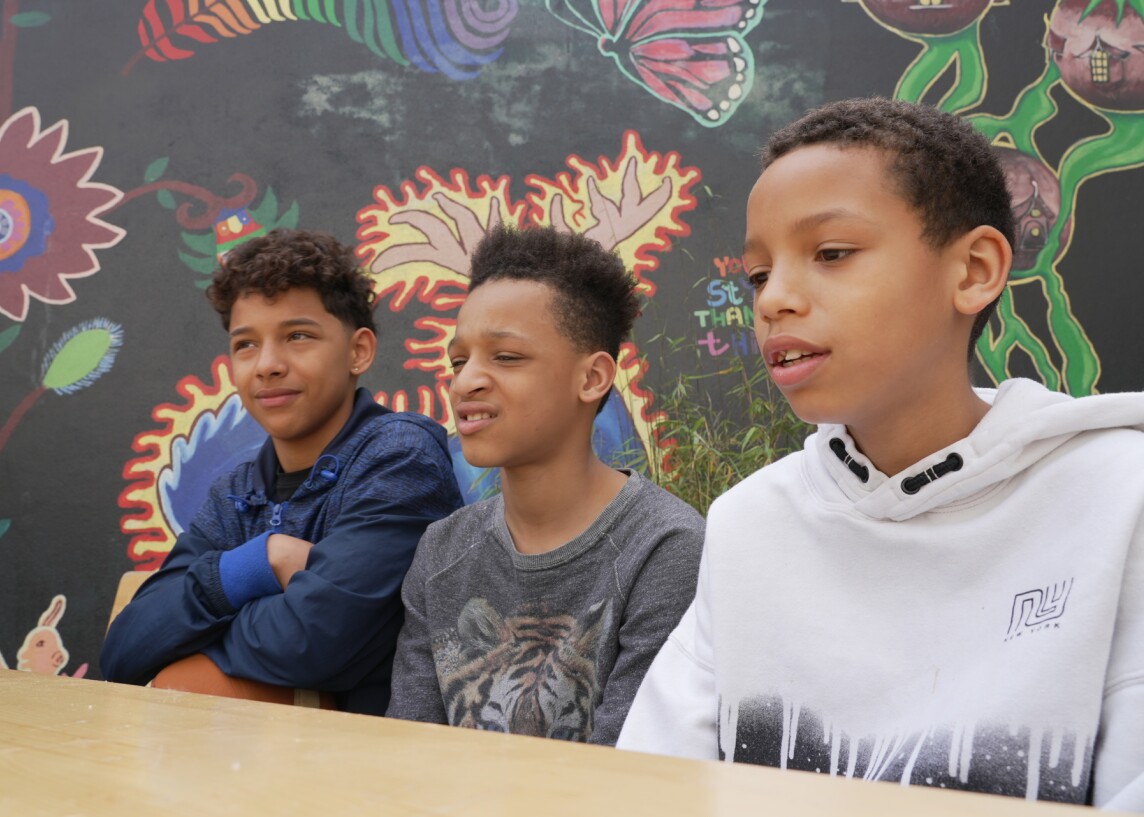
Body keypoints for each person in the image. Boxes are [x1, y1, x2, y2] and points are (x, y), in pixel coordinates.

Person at [616, 98, 1144, 809]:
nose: (775, 299)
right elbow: (655, 785)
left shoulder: (1117, 499)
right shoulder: (752, 522)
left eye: (831, 253)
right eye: (758, 275)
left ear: (975, 269)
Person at [101, 229, 464, 715]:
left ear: (359, 351)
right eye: (246, 344)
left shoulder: (400, 456)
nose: (267, 365)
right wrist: (255, 563)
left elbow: (313, 643)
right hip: (256, 768)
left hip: (376, 769)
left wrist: (189, 637)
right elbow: (124, 649)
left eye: (297, 336)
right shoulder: (237, 490)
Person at [386, 225, 705, 745]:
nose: (466, 381)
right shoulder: (442, 551)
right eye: (458, 361)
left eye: (506, 357)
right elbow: (410, 749)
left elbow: (637, 772)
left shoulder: (665, 549)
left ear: (593, 378)